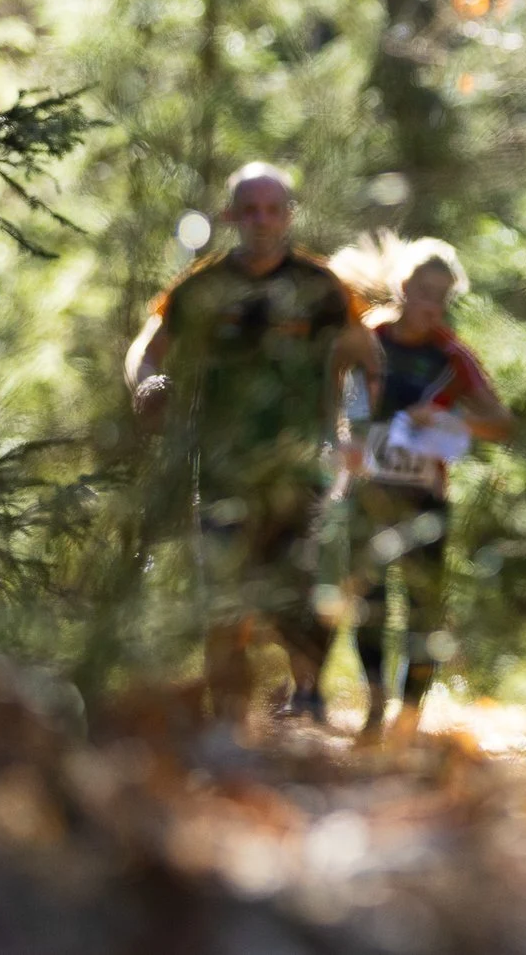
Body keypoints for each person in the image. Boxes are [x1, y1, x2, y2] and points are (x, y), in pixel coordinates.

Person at [127, 162, 373, 727]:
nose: (262, 220)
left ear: (289, 215)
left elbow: (364, 358)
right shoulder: (202, 286)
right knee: (223, 590)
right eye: (250, 209)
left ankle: (306, 698)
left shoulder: (321, 287)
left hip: (303, 466)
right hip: (220, 468)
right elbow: (148, 348)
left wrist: (358, 434)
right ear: (233, 216)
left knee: (305, 585)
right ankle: (229, 715)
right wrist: (148, 383)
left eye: (273, 208)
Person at [326, 234, 514, 746]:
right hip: (365, 490)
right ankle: (373, 703)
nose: (432, 305)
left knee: (423, 611)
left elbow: (501, 420)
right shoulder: (367, 338)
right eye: (424, 291)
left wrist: (450, 420)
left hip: (425, 497)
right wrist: (341, 438)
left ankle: (407, 721)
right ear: (403, 287)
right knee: (366, 603)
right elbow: (326, 390)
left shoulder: (452, 357)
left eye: (442, 296)